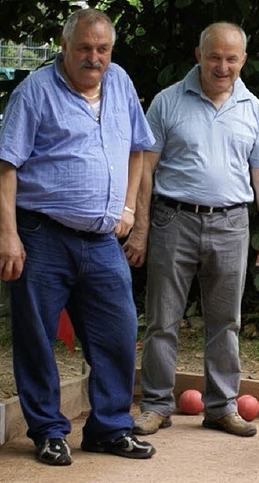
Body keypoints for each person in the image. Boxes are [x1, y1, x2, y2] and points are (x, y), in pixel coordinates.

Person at [0, 9, 156, 466]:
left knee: (118, 331)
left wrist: (129, 208)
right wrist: (8, 236)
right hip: (41, 233)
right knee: (36, 336)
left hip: (102, 238)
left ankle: (109, 428)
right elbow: (6, 168)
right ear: (65, 47)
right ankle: (48, 430)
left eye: (102, 49)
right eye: (85, 48)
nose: (94, 58)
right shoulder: (35, 93)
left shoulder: (122, 82)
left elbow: (138, 149)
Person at [124, 22, 259, 438]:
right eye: (215, 56)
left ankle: (221, 406)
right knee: (162, 320)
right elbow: (144, 170)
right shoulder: (167, 101)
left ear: (243, 60)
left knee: (226, 321)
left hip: (231, 223)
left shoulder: (254, 108)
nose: (223, 66)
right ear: (199, 54)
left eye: (232, 59)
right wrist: (139, 229)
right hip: (173, 219)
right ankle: (156, 404)